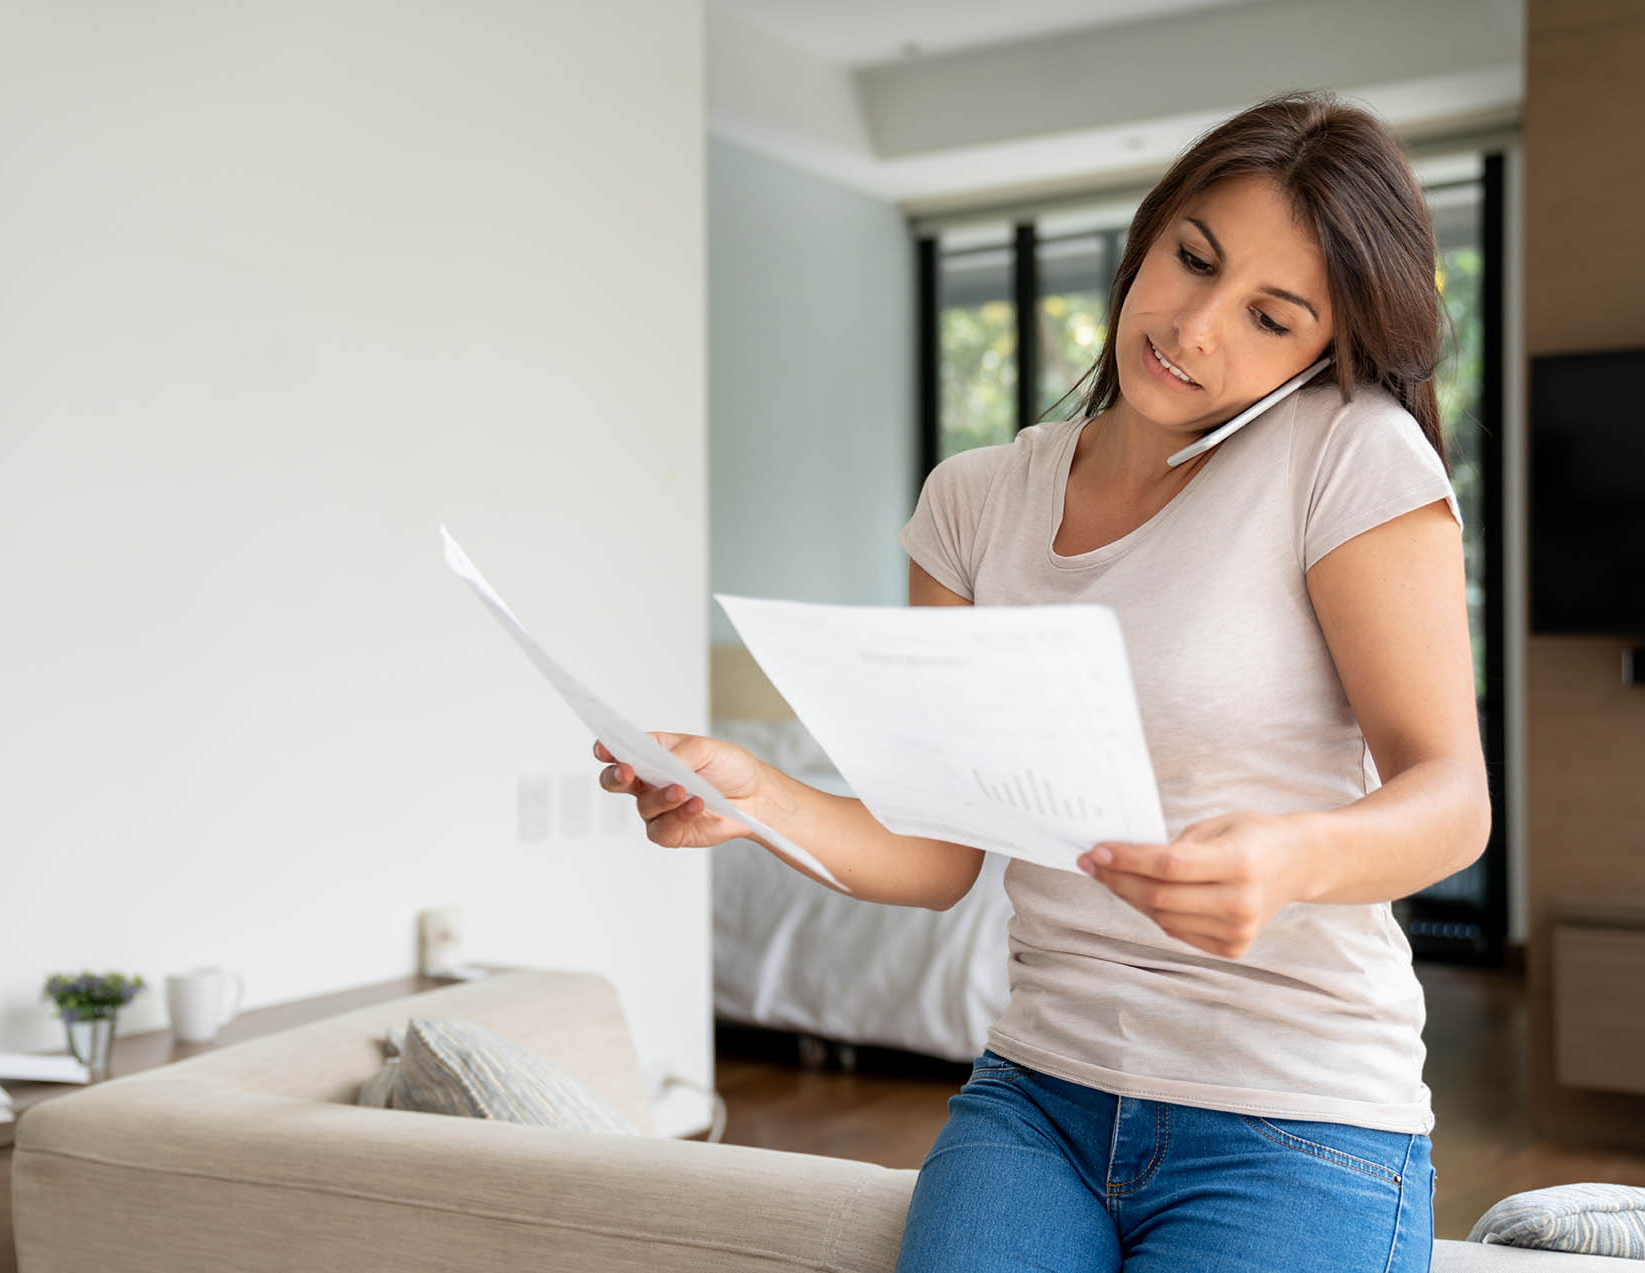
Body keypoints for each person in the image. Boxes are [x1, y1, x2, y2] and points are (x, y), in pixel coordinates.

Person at [595, 88, 1489, 1273]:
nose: (1197, 326)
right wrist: (752, 795)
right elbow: (939, 851)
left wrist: (1289, 859)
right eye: (1192, 259)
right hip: (1040, 1099)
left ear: (1323, 347)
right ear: (1149, 230)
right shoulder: (973, 500)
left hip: (1298, 1111)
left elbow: (1452, 796)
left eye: (1270, 317)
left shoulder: (1350, 455)